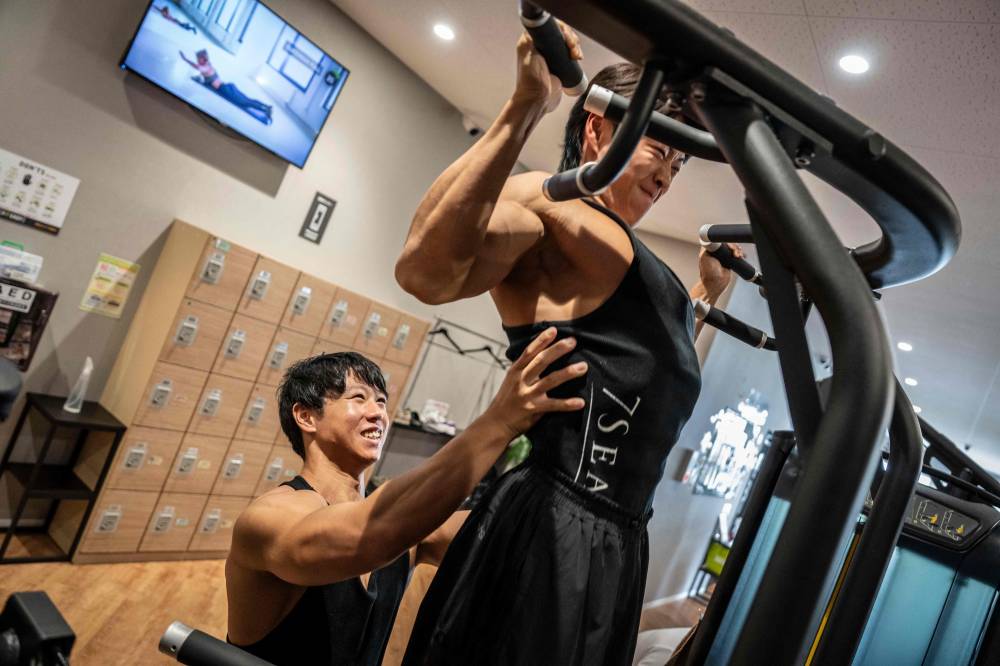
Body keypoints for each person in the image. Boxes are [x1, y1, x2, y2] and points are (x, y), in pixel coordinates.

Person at [394, 24, 738, 666]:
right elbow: (423, 272)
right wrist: (526, 105)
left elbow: (636, 368)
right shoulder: (550, 208)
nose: (668, 168)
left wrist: (705, 297)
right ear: (597, 130)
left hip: (621, 537)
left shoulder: (639, 261)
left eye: (679, 160)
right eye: (661, 146)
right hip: (552, 523)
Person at [225, 340, 587, 666]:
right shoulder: (269, 516)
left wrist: (568, 450)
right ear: (306, 416)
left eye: (381, 402)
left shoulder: (407, 533)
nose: (377, 413)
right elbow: (364, 535)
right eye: (358, 398)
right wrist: (498, 424)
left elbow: (513, 534)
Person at [179, 49, 273, 123]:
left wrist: (185, 59)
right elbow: (203, 74)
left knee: (244, 102)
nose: (197, 60)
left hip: (225, 89)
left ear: (203, 59)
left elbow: (197, 67)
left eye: (198, 58)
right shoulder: (208, 65)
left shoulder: (204, 67)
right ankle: (266, 107)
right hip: (228, 86)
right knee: (247, 99)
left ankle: (266, 110)